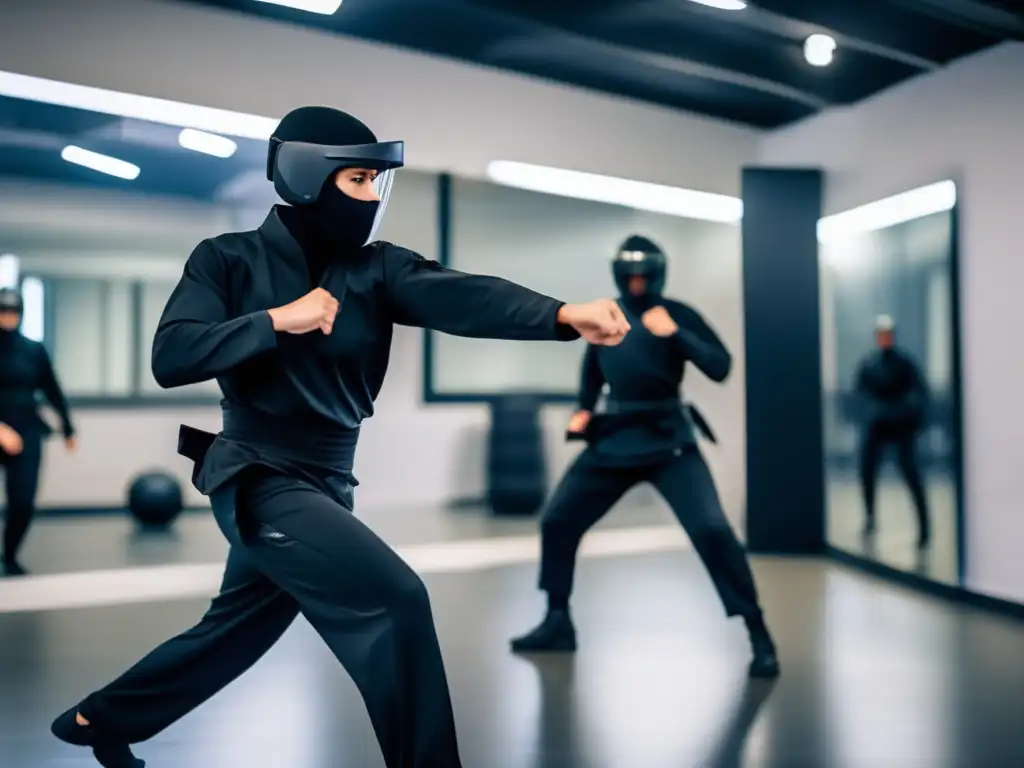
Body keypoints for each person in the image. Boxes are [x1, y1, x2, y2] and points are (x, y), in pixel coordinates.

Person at [50, 106, 630, 768]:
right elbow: (172, 356)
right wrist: (276, 320)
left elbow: (462, 296)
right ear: (306, 176)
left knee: (234, 632)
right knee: (398, 599)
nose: (371, 197)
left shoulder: (374, 270)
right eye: (358, 178)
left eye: (376, 182)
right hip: (258, 478)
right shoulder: (226, 259)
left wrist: (562, 315)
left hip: (328, 480)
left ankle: (104, 717)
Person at [509, 235, 779, 679]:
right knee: (558, 519)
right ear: (619, 274)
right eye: (628, 275)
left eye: (642, 275)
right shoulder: (607, 313)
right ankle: (558, 620)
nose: (635, 283)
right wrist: (583, 408)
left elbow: (720, 365)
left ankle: (759, 634)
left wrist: (677, 334)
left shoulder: (676, 314)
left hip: (669, 439)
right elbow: (593, 366)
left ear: (657, 274)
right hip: (615, 436)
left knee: (712, 529)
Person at [0, 286, 76, 577]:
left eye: (13, 311)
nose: (8, 317)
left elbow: (51, 388)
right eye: (2, 310)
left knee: (23, 500)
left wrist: (68, 427)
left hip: (27, 428)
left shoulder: (33, 350)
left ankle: (9, 554)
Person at [854, 314, 931, 548]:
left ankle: (924, 528)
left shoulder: (904, 364)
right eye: (881, 334)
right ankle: (870, 519)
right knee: (867, 472)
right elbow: (859, 393)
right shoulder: (869, 363)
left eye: (888, 334)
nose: (884, 338)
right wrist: (870, 414)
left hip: (900, 427)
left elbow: (920, 393)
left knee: (911, 475)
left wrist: (908, 417)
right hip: (877, 426)